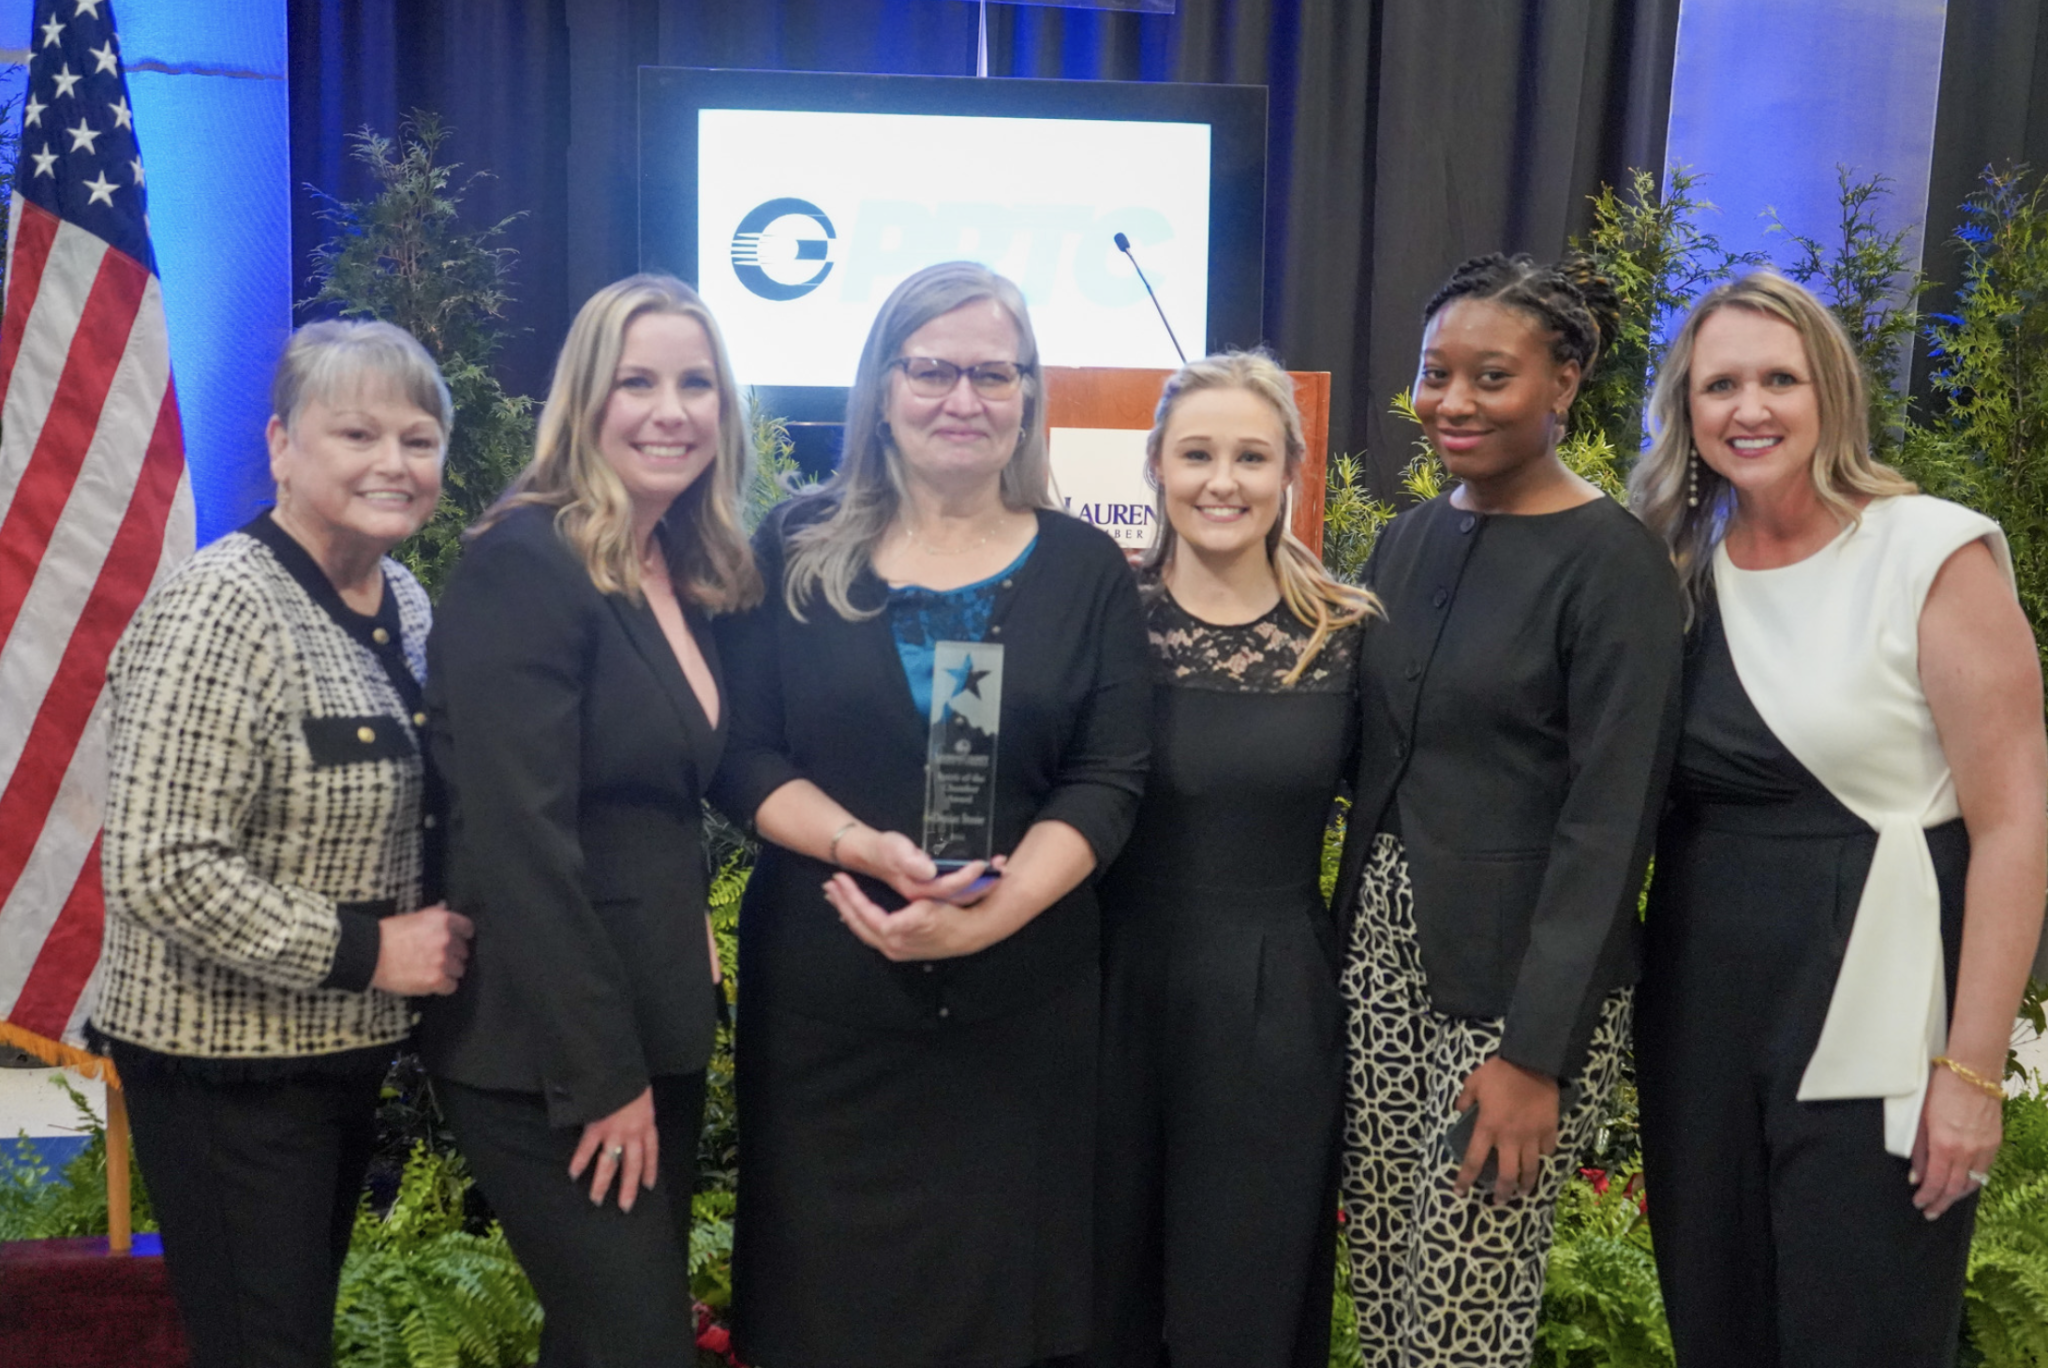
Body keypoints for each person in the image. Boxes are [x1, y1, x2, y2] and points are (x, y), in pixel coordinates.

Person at [709, 260, 1151, 1368]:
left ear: (1028, 393)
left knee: (1005, 1313)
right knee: (827, 1311)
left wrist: (989, 917)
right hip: (826, 1002)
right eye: (932, 370)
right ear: (881, 387)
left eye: (993, 374)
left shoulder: (1087, 568)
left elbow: (1107, 778)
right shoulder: (793, 548)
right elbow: (740, 754)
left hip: (1022, 1009)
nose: (963, 398)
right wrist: (859, 846)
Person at [1628, 272, 2048, 1367]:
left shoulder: (1929, 551)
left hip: (1881, 1003)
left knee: (1864, 1330)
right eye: (1719, 385)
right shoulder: (1674, 569)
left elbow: (2014, 826)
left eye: (1779, 379)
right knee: (1717, 1327)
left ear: (1832, 394)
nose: (1749, 408)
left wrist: (1971, 1074)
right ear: (1684, 408)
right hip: (1701, 1010)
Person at [94, 320, 472, 1368]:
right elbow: (158, 866)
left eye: (418, 440)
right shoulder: (220, 607)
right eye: (356, 433)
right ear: (281, 445)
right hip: (225, 1067)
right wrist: (371, 950)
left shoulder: (404, 598)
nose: (393, 462)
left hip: (335, 1053)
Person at [1329, 253, 1685, 1365]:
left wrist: (1536, 1055)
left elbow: (1610, 825)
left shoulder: (1613, 565)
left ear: (1563, 382)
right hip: (1380, 957)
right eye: (1435, 373)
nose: (1453, 402)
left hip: (1522, 989)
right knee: (1384, 1286)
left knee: (1463, 1307)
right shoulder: (1408, 538)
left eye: (1492, 376)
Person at [419, 274, 760, 1366]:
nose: (671, 411)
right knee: (635, 1343)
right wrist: (601, 1075)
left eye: (696, 384)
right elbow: (517, 844)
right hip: (549, 1050)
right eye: (637, 382)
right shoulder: (526, 562)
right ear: (585, 400)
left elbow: (652, 803)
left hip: (655, 1017)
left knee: (604, 1342)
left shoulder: (676, 567)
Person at [1089, 352, 1379, 1368]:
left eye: (1251, 457)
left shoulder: (1347, 635)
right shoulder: (1100, 621)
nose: (1223, 481)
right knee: (1099, 1298)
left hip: (1276, 1005)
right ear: (1155, 467)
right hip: (1103, 992)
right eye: (1196, 454)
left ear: (1290, 470)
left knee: (1247, 1303)